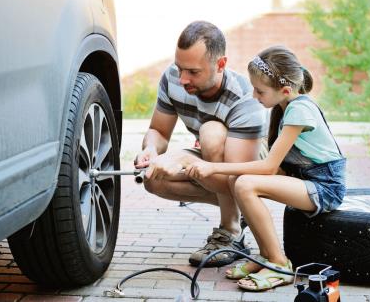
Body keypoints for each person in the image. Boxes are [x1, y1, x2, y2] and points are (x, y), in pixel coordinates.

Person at [184, 46, 346, 291]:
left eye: (260, 90)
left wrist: (212, 167)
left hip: (324, 186)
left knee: (245, 184)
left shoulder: (300, 110)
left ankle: (279, 264)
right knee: (239, 180)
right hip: (306, 179)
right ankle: (265, 255)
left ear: (284, 90)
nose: (254, 95)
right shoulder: (285, 106)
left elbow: (269, 167)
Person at [134, 21, 270, 267]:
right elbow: (158, 131)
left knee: (211, 130)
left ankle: (231, 231)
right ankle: (246, 210)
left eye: (193, 72)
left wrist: (184, 161)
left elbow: (235, 177)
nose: (183, 79)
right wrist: (151, 149)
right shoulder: (172, 79)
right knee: (153, 178)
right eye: (179, 68)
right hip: (217, 162)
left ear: (220, 65)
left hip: (249, 165)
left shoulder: (244, 98)